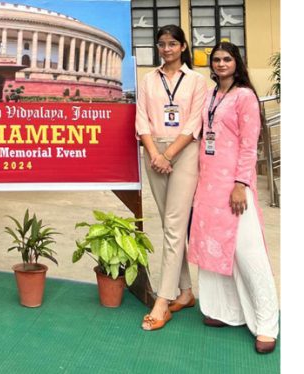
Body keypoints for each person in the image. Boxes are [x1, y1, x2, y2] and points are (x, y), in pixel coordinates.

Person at [188, 42, 279, 353]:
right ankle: (226, 312)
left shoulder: (245, 96)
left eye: (227, 59)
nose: (221, 64)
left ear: (237, 62)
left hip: (234, 185)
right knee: (214, 250)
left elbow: (249, 144)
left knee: (247, 252)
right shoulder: (212, 94)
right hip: (208, 184)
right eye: (216, 60)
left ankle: (267, 323)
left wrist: (241, 183)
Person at [134, 25, 207, 331]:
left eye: (172, 44)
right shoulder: (148, 80)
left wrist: (168, 156)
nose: (166, 49)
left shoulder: (197, 81)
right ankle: (186, 292)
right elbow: (142, 119)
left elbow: (193, 123)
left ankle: (163, 300)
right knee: (169, 225)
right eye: (161, 44)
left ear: (183, 46)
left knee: (175, 227)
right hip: (154, 154)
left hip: (184, 152)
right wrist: (155, 154)